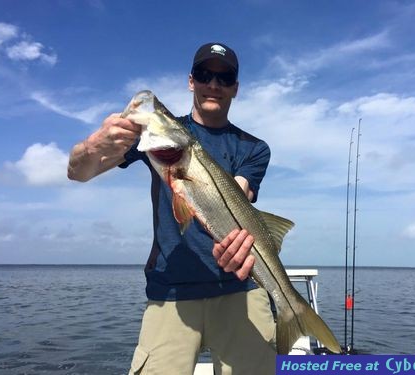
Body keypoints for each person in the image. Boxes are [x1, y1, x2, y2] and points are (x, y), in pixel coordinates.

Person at [67, 42, 276, 375]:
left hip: (241, 290)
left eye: (225, 78)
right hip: (171, 291)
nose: (214, 85)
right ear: (191, 80)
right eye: (205, 74)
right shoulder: (157, 137)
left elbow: (237, 195)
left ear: (235, 87)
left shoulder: (253, 148)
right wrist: (94, 146)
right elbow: (78, 172)